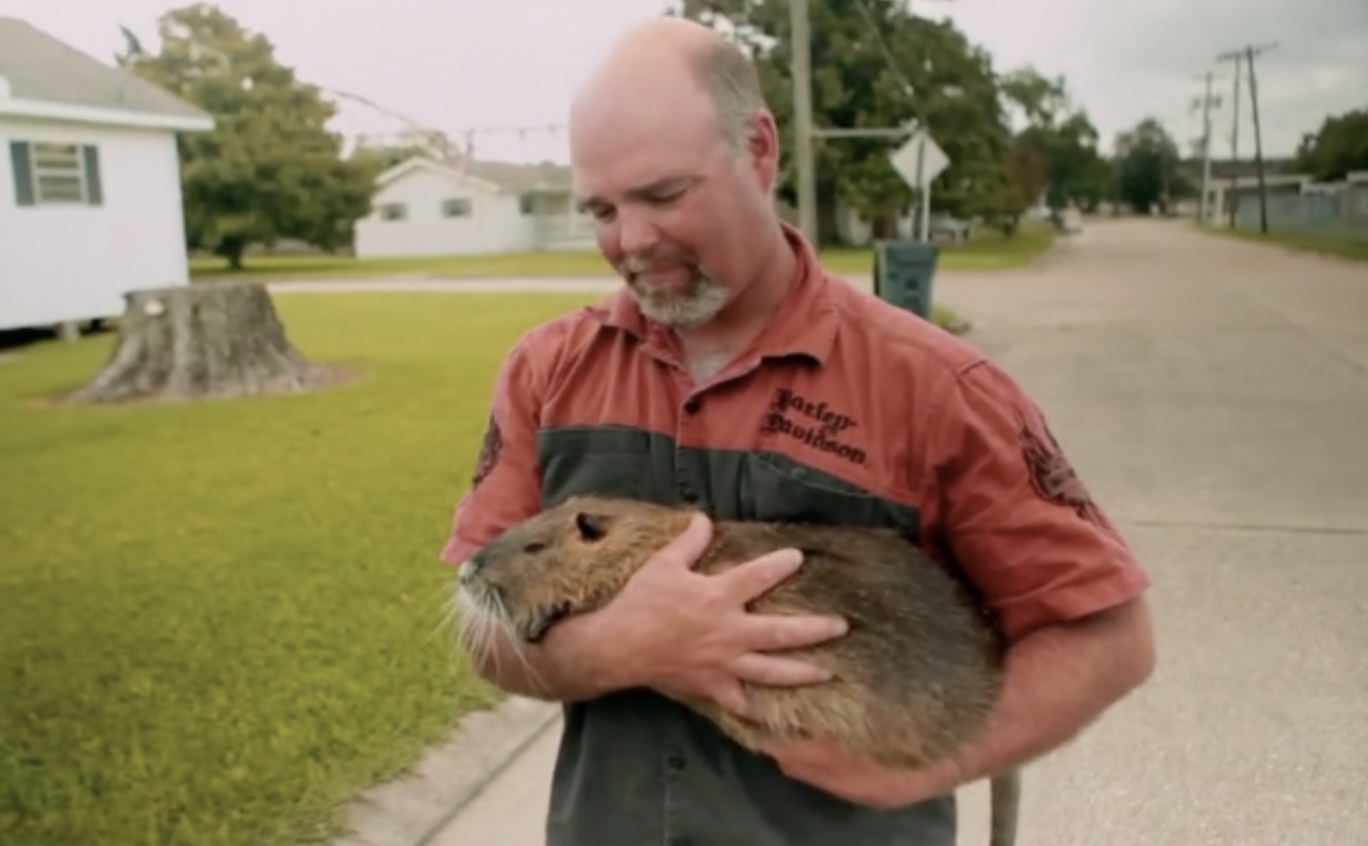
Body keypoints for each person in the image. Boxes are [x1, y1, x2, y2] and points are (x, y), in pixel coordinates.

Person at [438, 15, 1156, 846]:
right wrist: (630, 647)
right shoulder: (547, 371)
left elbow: (1109, 641)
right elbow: (488, 635)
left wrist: (927, 767)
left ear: (760, 151)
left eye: (665, 195)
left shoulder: (936, 388)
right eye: (601, 208)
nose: (631, 241)